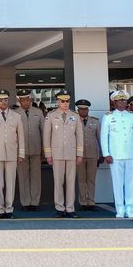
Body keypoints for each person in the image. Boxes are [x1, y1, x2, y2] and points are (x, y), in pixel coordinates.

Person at [101, 89, 133, 219]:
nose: (122, 102)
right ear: (114, 102)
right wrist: (106, 154)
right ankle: (120, 209)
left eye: (124, 100)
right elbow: (104, 137)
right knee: (117, 183)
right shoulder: (108, 117)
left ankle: (130, 209)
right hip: (115, 155)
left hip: (131, 154)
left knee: (130, 183)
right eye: (120, 100)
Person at [44, 90, 84, 218]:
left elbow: (79, 136)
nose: (65, 103)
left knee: (71, 182)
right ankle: (60, 208)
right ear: (58, 102)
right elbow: (46, 136)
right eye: (63, 101)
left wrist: (79, 154)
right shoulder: (51, 116)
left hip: (71, 153)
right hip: (57, 154)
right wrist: (48, 155)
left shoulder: (75, 116)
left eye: (67, 101)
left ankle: (70, 208)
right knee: (58, 182)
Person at [16, 90, 46, 211]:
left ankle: (35, 202)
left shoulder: (38, 112)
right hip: (21, 151)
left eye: (28, 100)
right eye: (23, 100)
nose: (26, 102)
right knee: (22, 177)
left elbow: (44, 132)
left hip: (36, 149)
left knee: (36, 177)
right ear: (19, 101)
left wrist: (44, 150)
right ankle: (25, 202)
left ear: (31, 100)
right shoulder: (15, 113)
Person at [76, 99, 102, 211]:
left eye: (85, 109)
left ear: (88, 109)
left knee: (91, 179)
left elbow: (100, 139)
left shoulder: (95, 121)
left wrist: (102, 154)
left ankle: (91, 202)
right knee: (81, 180)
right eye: (81, 109)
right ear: (78, 110)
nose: (83, 111)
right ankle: (83, 202)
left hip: (92, 154)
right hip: (79, 155)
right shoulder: (74, 121)